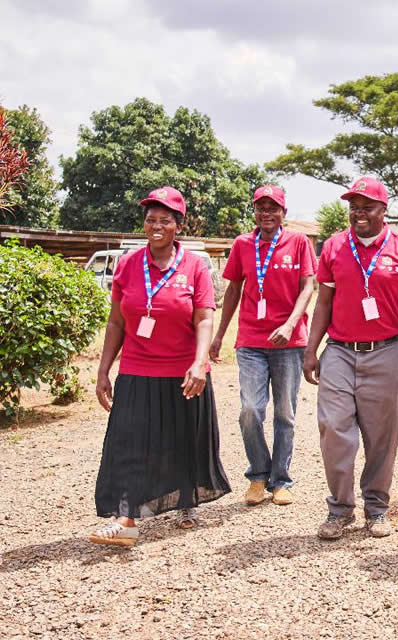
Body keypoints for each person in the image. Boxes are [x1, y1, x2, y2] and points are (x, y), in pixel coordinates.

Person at [91, 186, 231, 546]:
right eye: (150, 219)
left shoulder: (195, 266)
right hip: (137, 370)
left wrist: (200, 363)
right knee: (129, 444)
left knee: (183, 440)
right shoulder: (128, 265)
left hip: (184, 371)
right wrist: (104, 370)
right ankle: (127, 520)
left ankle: (187, 500)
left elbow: (203, 319)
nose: (156, 225)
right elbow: (116, 323)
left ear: (177, 226)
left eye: (164, 220)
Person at [303, 177, 398, 540]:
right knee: (334, 429)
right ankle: (340, 509)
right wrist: (311, 350)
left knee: (382, 436)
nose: (358, 213)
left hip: (387, 352)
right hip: (340, 352)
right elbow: (323, 302)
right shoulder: (333, 247)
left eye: (366, 206)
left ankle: (376, 507)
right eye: (353, 206)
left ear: (383, 209)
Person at [212, 185, 316, 507]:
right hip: (251, 342)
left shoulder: (298, 242)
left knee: (285, 413)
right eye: (261, 208)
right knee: (250, 410)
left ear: (283, 212)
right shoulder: (243, 244)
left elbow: (308, 286)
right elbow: (232, 291)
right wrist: (220, 335)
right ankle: (258, 474)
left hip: (289, 342)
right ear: (254, 211)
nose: (266, 214)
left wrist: (289, 325)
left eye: (273, 208)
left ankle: (281, 480)